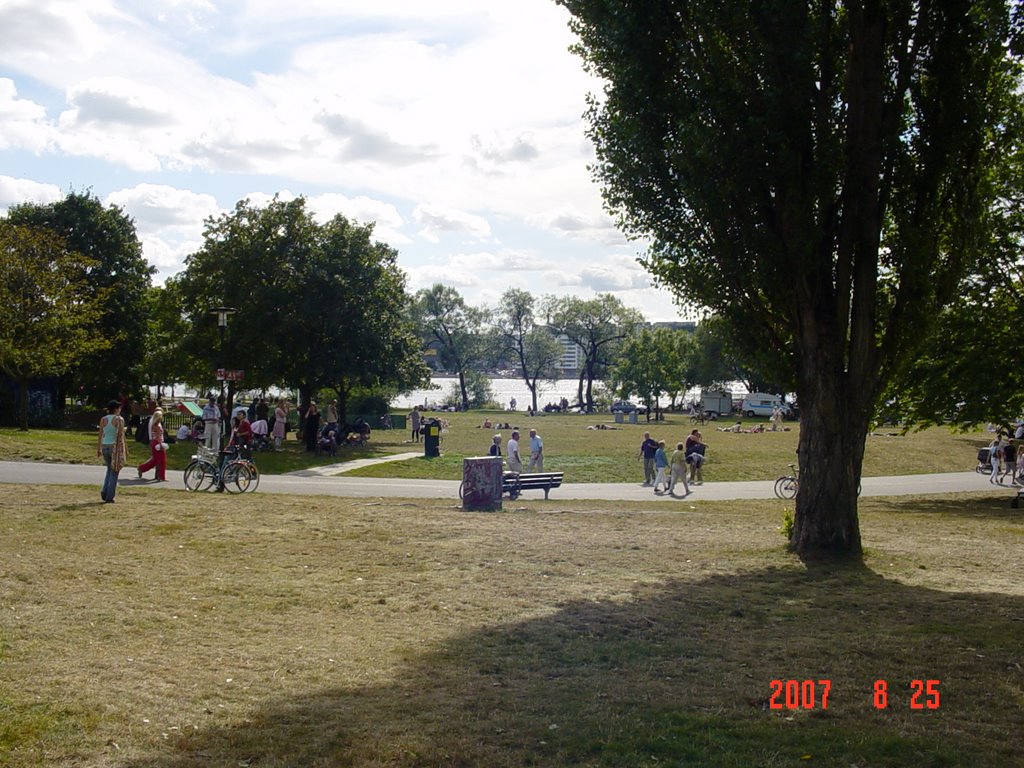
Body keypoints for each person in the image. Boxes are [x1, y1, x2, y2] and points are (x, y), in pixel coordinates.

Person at [97, 400, 128, 503]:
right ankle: (110, 496)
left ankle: (105, 491)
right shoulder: (119, 419)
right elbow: (120, 435)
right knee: (115, 471)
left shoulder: (103, 419)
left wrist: (98, 448)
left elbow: (101, 434)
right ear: (116, 409)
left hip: (105, 445)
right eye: (119, 409)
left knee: (109, 469)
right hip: (114, 447)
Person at [137, 408, 167, 482]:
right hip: (157, 442)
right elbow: (158, 436)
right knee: (162, 460)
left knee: (155, 460)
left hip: (155, 442)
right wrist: (161, 444)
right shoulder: (157, 425)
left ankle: (142, 468)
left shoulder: (154, 423)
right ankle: (161, 476)